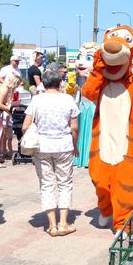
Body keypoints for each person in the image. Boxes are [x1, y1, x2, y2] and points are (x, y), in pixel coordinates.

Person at [23, 69, 79, 237]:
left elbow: (25, 126)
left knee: (47, 184)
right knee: (64, 183)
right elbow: (74, 127)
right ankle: (63, 223)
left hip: (42, 146)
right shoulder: (68, 99)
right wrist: (75, 145)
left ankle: (52, 225)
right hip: (64, 145)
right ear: (59, 82)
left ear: (44, 83)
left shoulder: (37, 100)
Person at [0, 75, 22, 165]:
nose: (16, 87)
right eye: (17, 84)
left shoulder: (1, 87)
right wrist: (10, 109)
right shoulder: (4, 89)